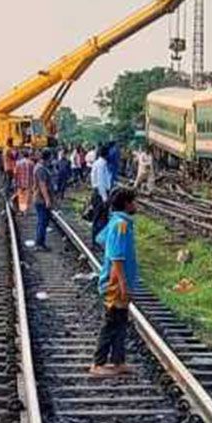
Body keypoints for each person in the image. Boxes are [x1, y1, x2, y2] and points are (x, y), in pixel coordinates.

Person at [90, 188, 139, 376]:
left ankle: (118, 361)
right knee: (111, 322)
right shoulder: (120, 225)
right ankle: (98, 363)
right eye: (133, 202)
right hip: (115, 283)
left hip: (119, 280)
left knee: (120, 321)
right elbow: (117, 257)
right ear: (126, 204)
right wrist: (123, 284)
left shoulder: (119, 222)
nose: (135, 205)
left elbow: (100, 238)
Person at [32, 149, 55, 251]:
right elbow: (42, 185)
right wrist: (47, 200)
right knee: (42, 221)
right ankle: (39, 243)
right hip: (40, 200)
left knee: (43, 221)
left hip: (40, 199)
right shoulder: (41, 169)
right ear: (49, 157)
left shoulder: (40, 167)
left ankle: (40, 242)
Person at [90, 145, 113, 240]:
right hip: (100, 194)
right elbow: (101, 182)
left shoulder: (99, 163)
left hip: (98, 193)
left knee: (101, 217)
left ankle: (98, 240)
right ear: (106, 154)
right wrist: (105, 198)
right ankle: (96, 240)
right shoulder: (101, 164)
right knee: (100, 218)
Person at [14, 149, 35, 214]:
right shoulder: (31, 163)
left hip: (20, 182)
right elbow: (33, 173)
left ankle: (22, 209)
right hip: (28, 183)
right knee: (27, 197)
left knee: (21, 197)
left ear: (22, 155)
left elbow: (15, 173)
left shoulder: (18, 163)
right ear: (28, 155)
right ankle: (26, 210)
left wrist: (15, 181)